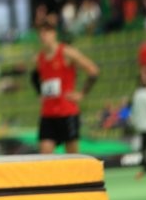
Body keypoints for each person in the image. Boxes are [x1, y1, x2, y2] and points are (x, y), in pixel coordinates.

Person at [34, 17, 100, 154]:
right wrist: (39, 93)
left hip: (67, 112)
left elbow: (93, 70)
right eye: (40, 33)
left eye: (46, 32)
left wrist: (82, 93)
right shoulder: (39, 58)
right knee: (44, 157)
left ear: (54, 33)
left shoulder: (67, 52)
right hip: (48, 114)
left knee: (72, 158)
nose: (42, 36)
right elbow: (35, 77)